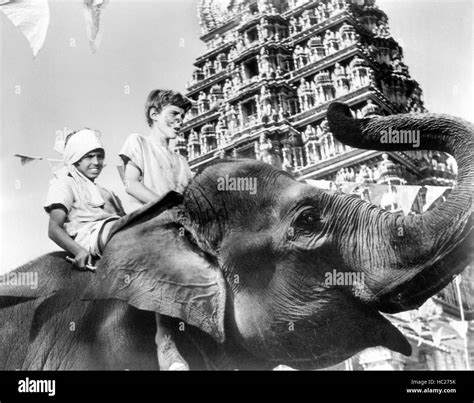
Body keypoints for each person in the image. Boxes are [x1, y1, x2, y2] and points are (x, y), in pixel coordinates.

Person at [119, 89, 192, 370]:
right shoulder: (137, 142)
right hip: (146, 224)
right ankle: (166, 344)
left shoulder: (182, 162)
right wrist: (167, 206)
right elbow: (131, 184)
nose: (180, 120)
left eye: (183, 116)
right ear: (154, 114)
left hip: (178, 226)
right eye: (174, 114)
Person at [45, 129, 125, 270]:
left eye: (100, 157)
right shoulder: (64, 184)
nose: (96, 162)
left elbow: (127, 222)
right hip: (92, 240)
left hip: (117, 232)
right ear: (76, 159)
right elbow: (54, 228)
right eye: (89, 156)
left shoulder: (108, 193)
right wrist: (79, 251)